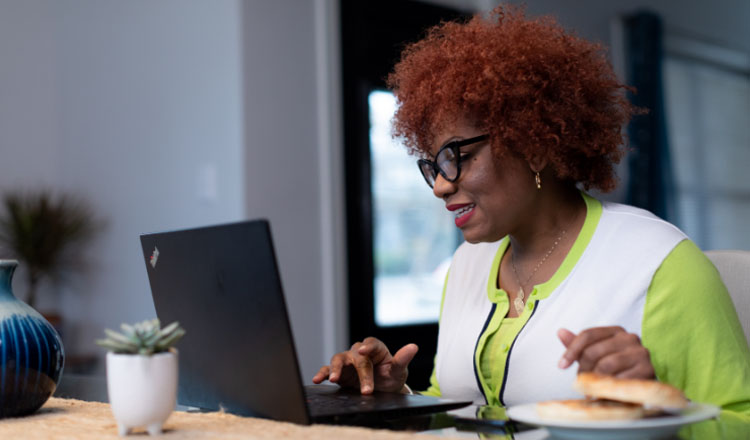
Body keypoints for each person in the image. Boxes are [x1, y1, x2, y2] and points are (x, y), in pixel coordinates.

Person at [313, 5, 750, 416]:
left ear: (535, 147)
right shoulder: (466, 265)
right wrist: (397, 396)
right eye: (432, 166)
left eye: (455, 156)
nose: (441, 186)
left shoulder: (659, 265)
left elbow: (739, 421)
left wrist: (658, 414)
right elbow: (457, 409)